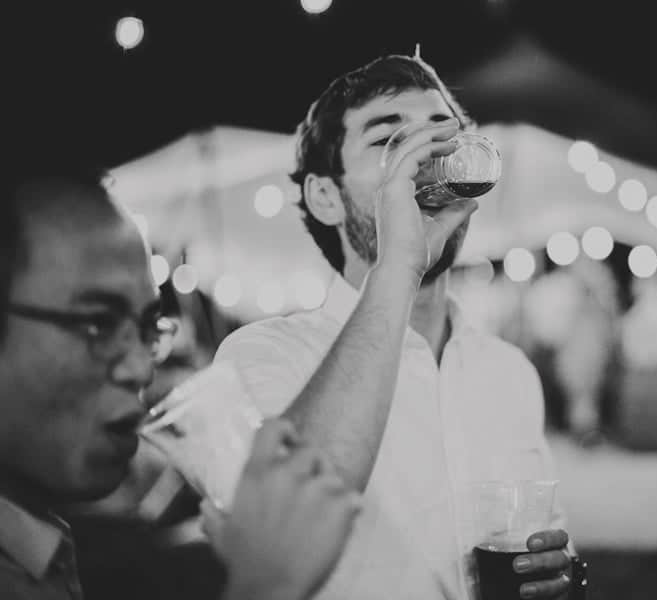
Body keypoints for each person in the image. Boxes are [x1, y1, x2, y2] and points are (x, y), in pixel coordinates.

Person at [212, 54, 575, 599]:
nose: (425, 159)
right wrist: (399, 265)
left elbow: (545, 546)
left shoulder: (509, 371)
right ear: (325, 197)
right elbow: (283, 534)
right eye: (389, 143)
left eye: (440, 135)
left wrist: (562, 578)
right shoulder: (261, 359)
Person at [0, 169, 359, 600]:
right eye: (97, 323)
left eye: (149, 327)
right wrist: (268, 588)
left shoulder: (41, 548)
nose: (141, 368)